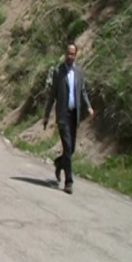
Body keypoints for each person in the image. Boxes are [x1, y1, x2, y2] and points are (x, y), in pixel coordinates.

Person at [43, 42, 94, 194]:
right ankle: (69, 182)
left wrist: (89, 106)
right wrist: (46, 115)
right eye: (68, 53)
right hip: (63, 115)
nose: (70, 56)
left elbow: (83, 90)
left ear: (75, 55)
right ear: (65, 54)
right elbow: (52, 96)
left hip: (74, 114)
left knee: (70, 150)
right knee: (67, 146)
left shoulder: (78, 72)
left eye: (73, 54)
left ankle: (59, 164)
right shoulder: (58, 72)